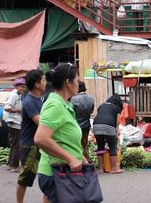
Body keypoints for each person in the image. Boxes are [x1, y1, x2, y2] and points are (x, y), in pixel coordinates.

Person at [34, 63, 87, 203]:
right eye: (76, 80)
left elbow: (63, 138)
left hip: (63, 172)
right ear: (67, 83)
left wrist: (80, 157)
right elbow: (41, 138)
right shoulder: (55, 105)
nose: (78, 83)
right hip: (57, 173)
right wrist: (70, 158)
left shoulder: (65, 104)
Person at [16, 70, 47, 203]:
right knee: (25, 178)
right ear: (37, 84)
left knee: (47, 175)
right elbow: (41, 122)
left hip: (38, 143)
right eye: (44, 80)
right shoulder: (29, 101)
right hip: (30, 145)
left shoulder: (38, 99)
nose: (46, 82)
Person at [93, 94, 124, 174]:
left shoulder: (101, 105)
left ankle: (100, 169)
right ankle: (114, 168)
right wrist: (116, 134)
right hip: (108, 125)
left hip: (96, 125)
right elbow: (117, 122)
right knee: (112, 146)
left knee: (100, 147)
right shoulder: (116, 108)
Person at [3, 77, 26, 173]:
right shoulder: (13, 95)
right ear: (17, 87)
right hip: (13, 121)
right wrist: (18, 111)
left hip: (15, 120)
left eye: (24, 87)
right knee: (17, 144)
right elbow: (7, 107)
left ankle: (10, 163)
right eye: (22, 87)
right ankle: (14, 165)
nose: (24, 88)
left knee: (14, 143)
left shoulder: (19, 94)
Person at [71, 81, 95, 159]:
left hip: (75, 125)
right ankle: (86, 159)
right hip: (86, 125)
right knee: (84, 143)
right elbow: (91, 111)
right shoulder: (91, 98)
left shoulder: (73, 99)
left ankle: (79, 160)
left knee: (76, 144)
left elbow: (71, 111)